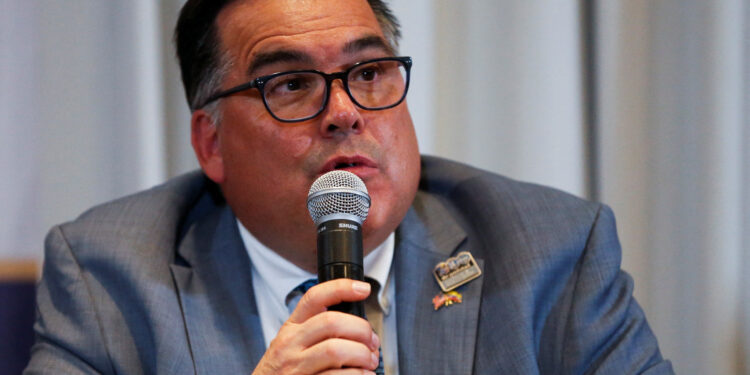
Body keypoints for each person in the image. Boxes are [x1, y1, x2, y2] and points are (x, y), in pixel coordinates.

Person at [25, 0, 674, 374]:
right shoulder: (108, 274)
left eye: (369, 71)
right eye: (290, 84)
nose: (345, 110)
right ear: (212, 143)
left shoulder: (551, 251)